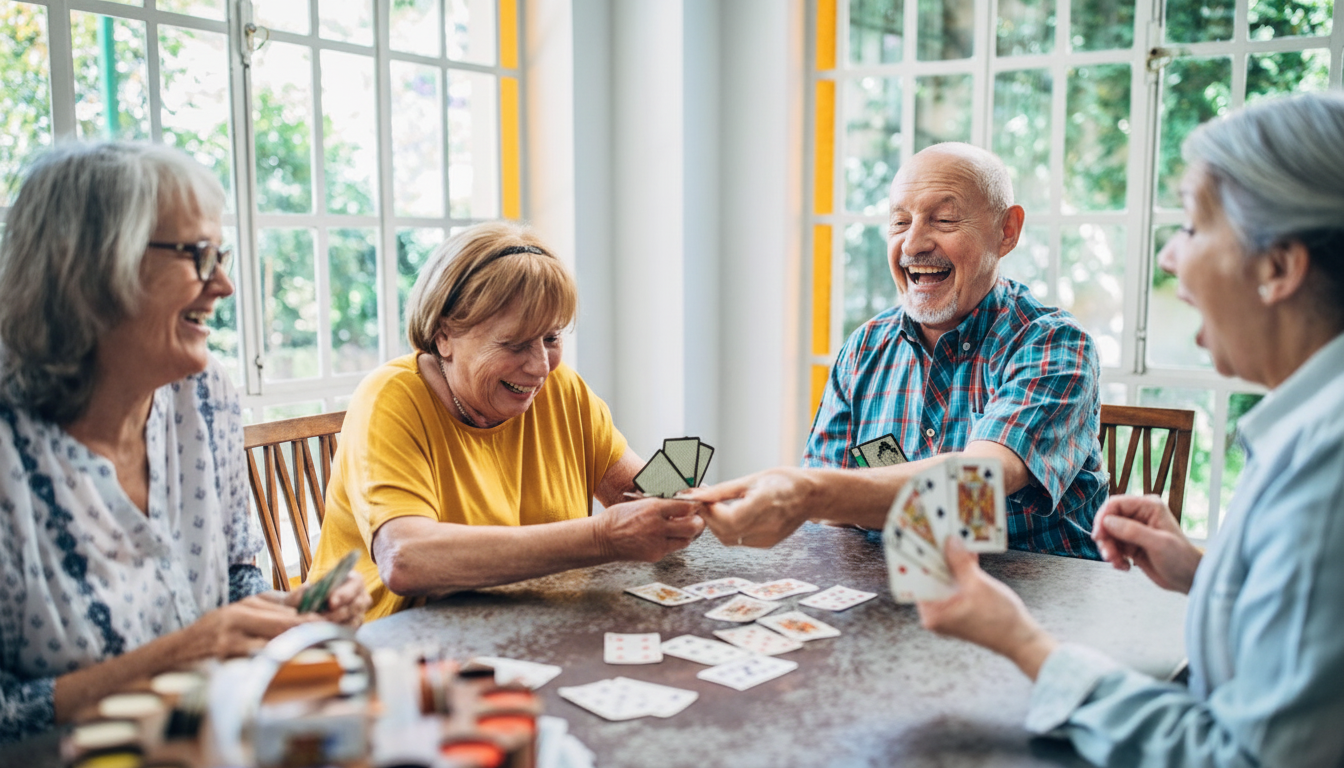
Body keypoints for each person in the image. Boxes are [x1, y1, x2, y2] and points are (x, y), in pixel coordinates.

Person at [918, 91, 1344, 767]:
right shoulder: (1309, 430)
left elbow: (1236, 758)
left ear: (1279, 267)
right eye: (900, 220)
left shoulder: (1328, 472)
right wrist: (1209, 577)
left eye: (1194, 227)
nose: (1170, 257)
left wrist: (1023, 642)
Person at [0, 142, 370, 744]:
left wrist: (280, 613)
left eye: (219, 255)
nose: (222, 284)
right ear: (90, 268)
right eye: (198, 255)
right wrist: (182, 654)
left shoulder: (203, 395)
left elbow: (234, 574)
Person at [688, 142, 1105, 558]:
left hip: (1033, 602)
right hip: (895, 587)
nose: (913, 244)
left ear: (1006, 231)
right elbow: (829, 508)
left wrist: (810, 494)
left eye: (943, 219)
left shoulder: (1053, 343)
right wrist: (810, 499)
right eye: (900, 222)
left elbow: (980, 482)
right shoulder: (866, 347)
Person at [307, 222, 705, 620]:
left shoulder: (561, 387)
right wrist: (602, 537)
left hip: (527, 627)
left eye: (551, 338)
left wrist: (686, 495)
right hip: (390, 651)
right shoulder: (389, 399)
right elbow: (407, 559)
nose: (539, 367)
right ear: (444, 335)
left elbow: (633, 492)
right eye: (515, 344)